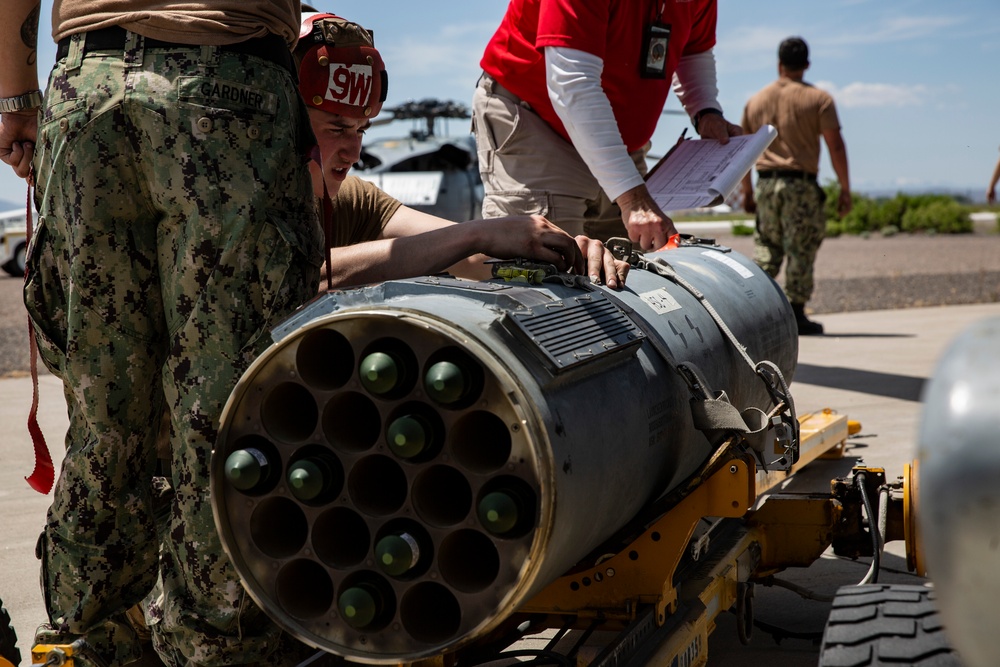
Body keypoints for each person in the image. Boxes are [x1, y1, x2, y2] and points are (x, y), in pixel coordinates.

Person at [0, 1, 326, 665]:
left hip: (85, 89)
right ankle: (214, 648)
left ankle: (94, 639)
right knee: (223, 413)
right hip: (222, 76)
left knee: (102, 410)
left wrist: (15, 96)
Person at [295, 12, 628, 289]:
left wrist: (557, 252)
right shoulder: (247, 199)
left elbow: (463, 255)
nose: (354, 153)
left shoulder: (354, 201)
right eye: (336, 129)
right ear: (284, 122)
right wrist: (476, 232)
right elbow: (298, 282)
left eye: (361, 130)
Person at [471, 0, 743, 252]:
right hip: (538, 121)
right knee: (547, 267)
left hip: (615, 139)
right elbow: (573, 85)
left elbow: (693, 49)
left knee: (630, 274)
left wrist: (705, 111)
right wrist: (632, 199)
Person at [740, 36, 851, 336]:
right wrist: (844, 188)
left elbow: (744, 153)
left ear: (779, 64)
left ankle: (750, 310)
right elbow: (835, 146)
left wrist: (748, 192)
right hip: (800, 185)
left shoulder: (756, 101)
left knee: (767, 249)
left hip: (766, 184)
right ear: (806, 64)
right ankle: (797, 313)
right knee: (801, 248)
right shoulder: (819, 100)